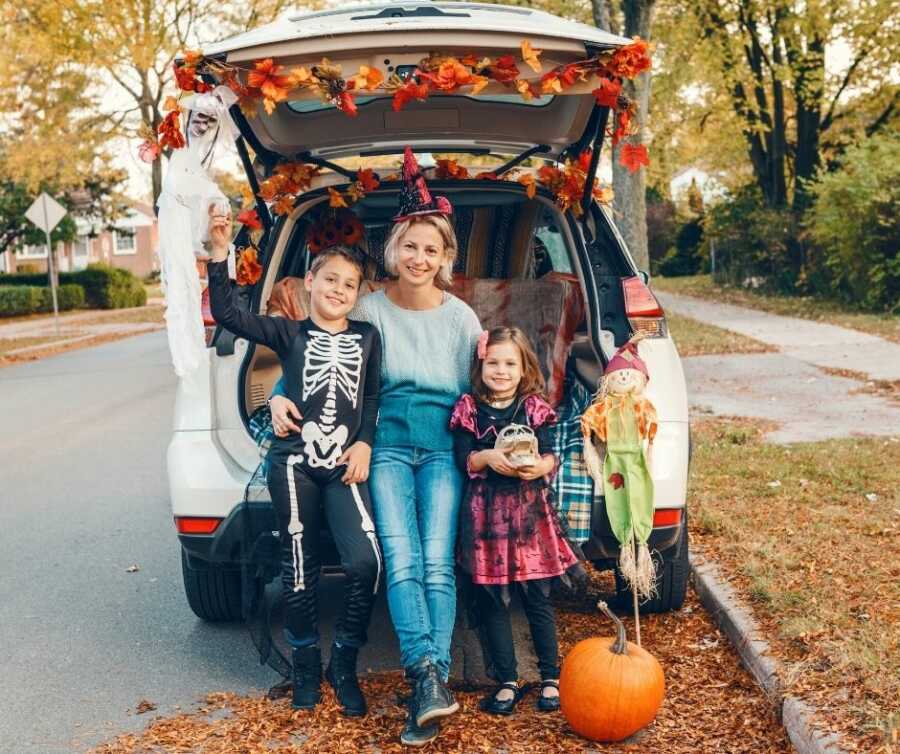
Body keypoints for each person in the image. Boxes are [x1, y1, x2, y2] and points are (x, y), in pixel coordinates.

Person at [269, 147, 482, 746]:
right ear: (394, 250)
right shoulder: (366, 309)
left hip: (442, 446)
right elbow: (319, 356)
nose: (419, 258)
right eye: (410, 246)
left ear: (444, 259)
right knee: (401, 557)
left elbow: (478, 393)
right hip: (381, 444)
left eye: (431, 249)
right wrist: (279, 398)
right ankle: (423, 671)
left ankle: (430, 678)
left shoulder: (463, 320)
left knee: (437, 560)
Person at [206, 207, 383, 719]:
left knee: (364, 561)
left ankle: (344, 661)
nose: (339, 290)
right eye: (330, 279)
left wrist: (365, 443)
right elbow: (230, 317)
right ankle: (306, 662)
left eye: (349, 285)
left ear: (358, 294)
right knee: (299, 567)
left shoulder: (368, 339)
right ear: (309, 281)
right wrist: (220, 254)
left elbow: (370, 400)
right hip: (294, 462)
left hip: (345, 465)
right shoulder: (290, 334)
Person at [449, 326, 584, 716]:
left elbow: (549, 454)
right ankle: (506, 679)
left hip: (529, 520)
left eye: (510, 363)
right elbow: (464, 459)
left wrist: (540, 465)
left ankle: (550, 677)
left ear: (524, 367)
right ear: (481, 364)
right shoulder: (469, 408)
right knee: (493, 601)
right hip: (486, 520)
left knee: (537, 598)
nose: (501, 370)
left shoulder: (533, 407)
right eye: (493, 362)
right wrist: (487, 457)